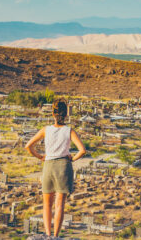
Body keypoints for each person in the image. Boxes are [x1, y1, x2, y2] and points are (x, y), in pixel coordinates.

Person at [25, 98, 86, 237]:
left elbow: (28, 146)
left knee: (47, 204)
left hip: (48, 166)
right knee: (59, 205)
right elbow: (82, 150)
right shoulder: (69, 131)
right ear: (66, 115)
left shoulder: (45, 130)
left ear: (53, 114)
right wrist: (72, 158)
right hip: (63, 166)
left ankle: (47, 235)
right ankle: (56, 236)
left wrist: (40, 156)